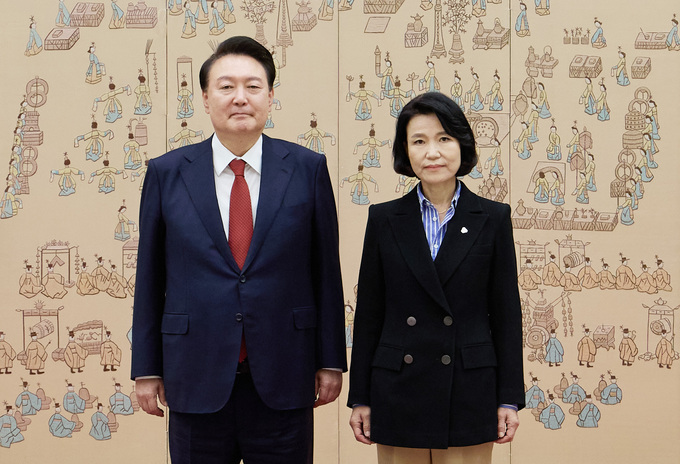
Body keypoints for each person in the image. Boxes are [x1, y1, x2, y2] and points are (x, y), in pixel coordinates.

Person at [131, 36, 346, 464]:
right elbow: (150, 277)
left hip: (285, 371)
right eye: (226, 86)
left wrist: (330, 360)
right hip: (194, 374)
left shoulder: (307, 169)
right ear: (205, 97)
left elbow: (325, 272)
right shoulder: (167, 173)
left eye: (253, 86)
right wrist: (147, 368)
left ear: (270, 96)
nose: (240, 98)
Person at [348, 92, 524, 464]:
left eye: (444, 138)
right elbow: (369, 315)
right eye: (419, 141)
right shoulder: (384, 218)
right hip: (397, 388)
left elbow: (506, 315)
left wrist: (508, 398)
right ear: (405, 151)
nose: (432, 152)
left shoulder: (493, 218)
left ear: (463, 144)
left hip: (469, 388)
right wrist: (360, 396)